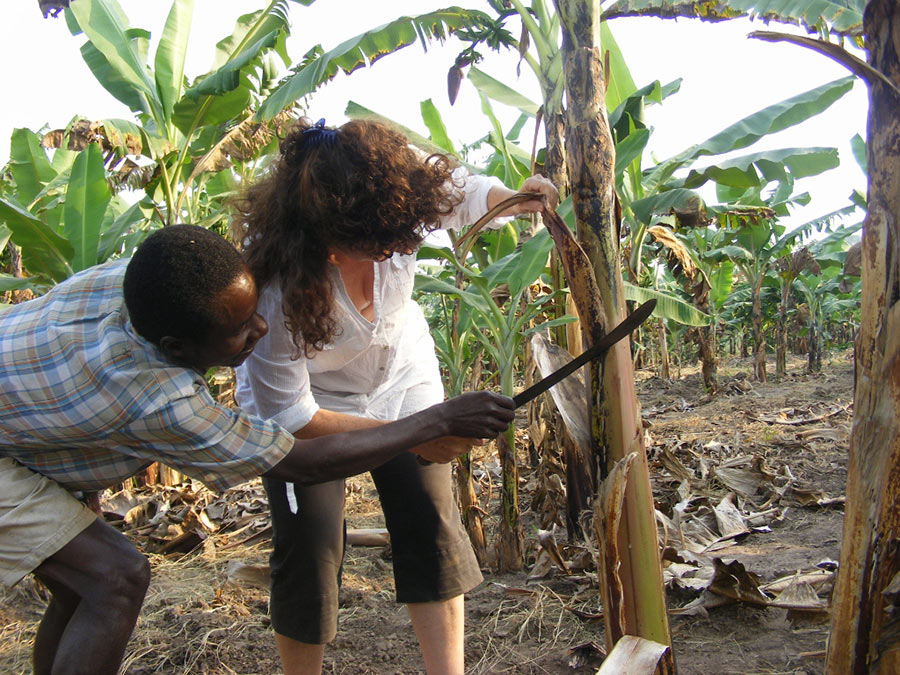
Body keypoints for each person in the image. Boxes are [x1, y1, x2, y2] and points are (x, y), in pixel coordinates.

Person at [0, 224, 515, 675]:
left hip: (17, 420)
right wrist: (433, 422)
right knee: (114, 578)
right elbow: (299, 461)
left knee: (78, 585)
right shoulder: (157, 397)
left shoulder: (136, 283)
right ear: (177, 347)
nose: (261, 329)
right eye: (238, 330)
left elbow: (57, 400)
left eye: (254, 312)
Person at [233, 118, 559, 674]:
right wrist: (424, 431)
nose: (392, 256)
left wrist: (513, 198)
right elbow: (292, 415)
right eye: (374, 249)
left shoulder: (394, 185)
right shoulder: (272, 280)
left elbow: (462, 193)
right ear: (326, 245)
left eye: (399, 243)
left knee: (430, 523)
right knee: (308, 547)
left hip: (401, 376)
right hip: (307, 404)